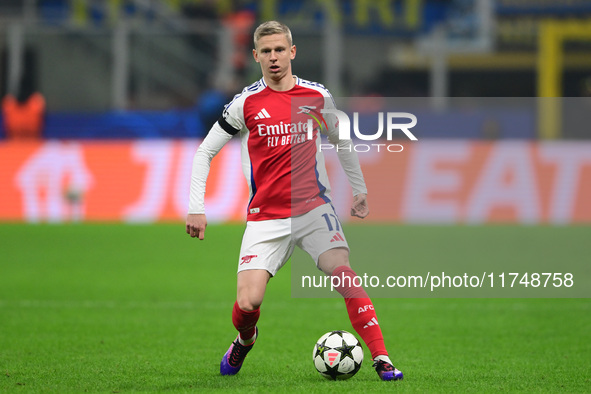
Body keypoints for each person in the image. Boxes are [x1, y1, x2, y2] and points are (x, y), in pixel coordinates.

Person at [186, 20, 403, 382]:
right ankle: (245, 338)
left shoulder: (317, 96)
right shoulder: (245, 103)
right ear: (255, 55)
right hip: (265, 217)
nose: (274, 58)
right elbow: (205, 152)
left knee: (346, 276)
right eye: (266, 52)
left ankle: (381, 358)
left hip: (314, 210)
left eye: (279, 50)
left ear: (292, 52)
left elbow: (342, 141)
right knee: (247, 303)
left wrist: (359, 188)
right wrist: (197, 207)